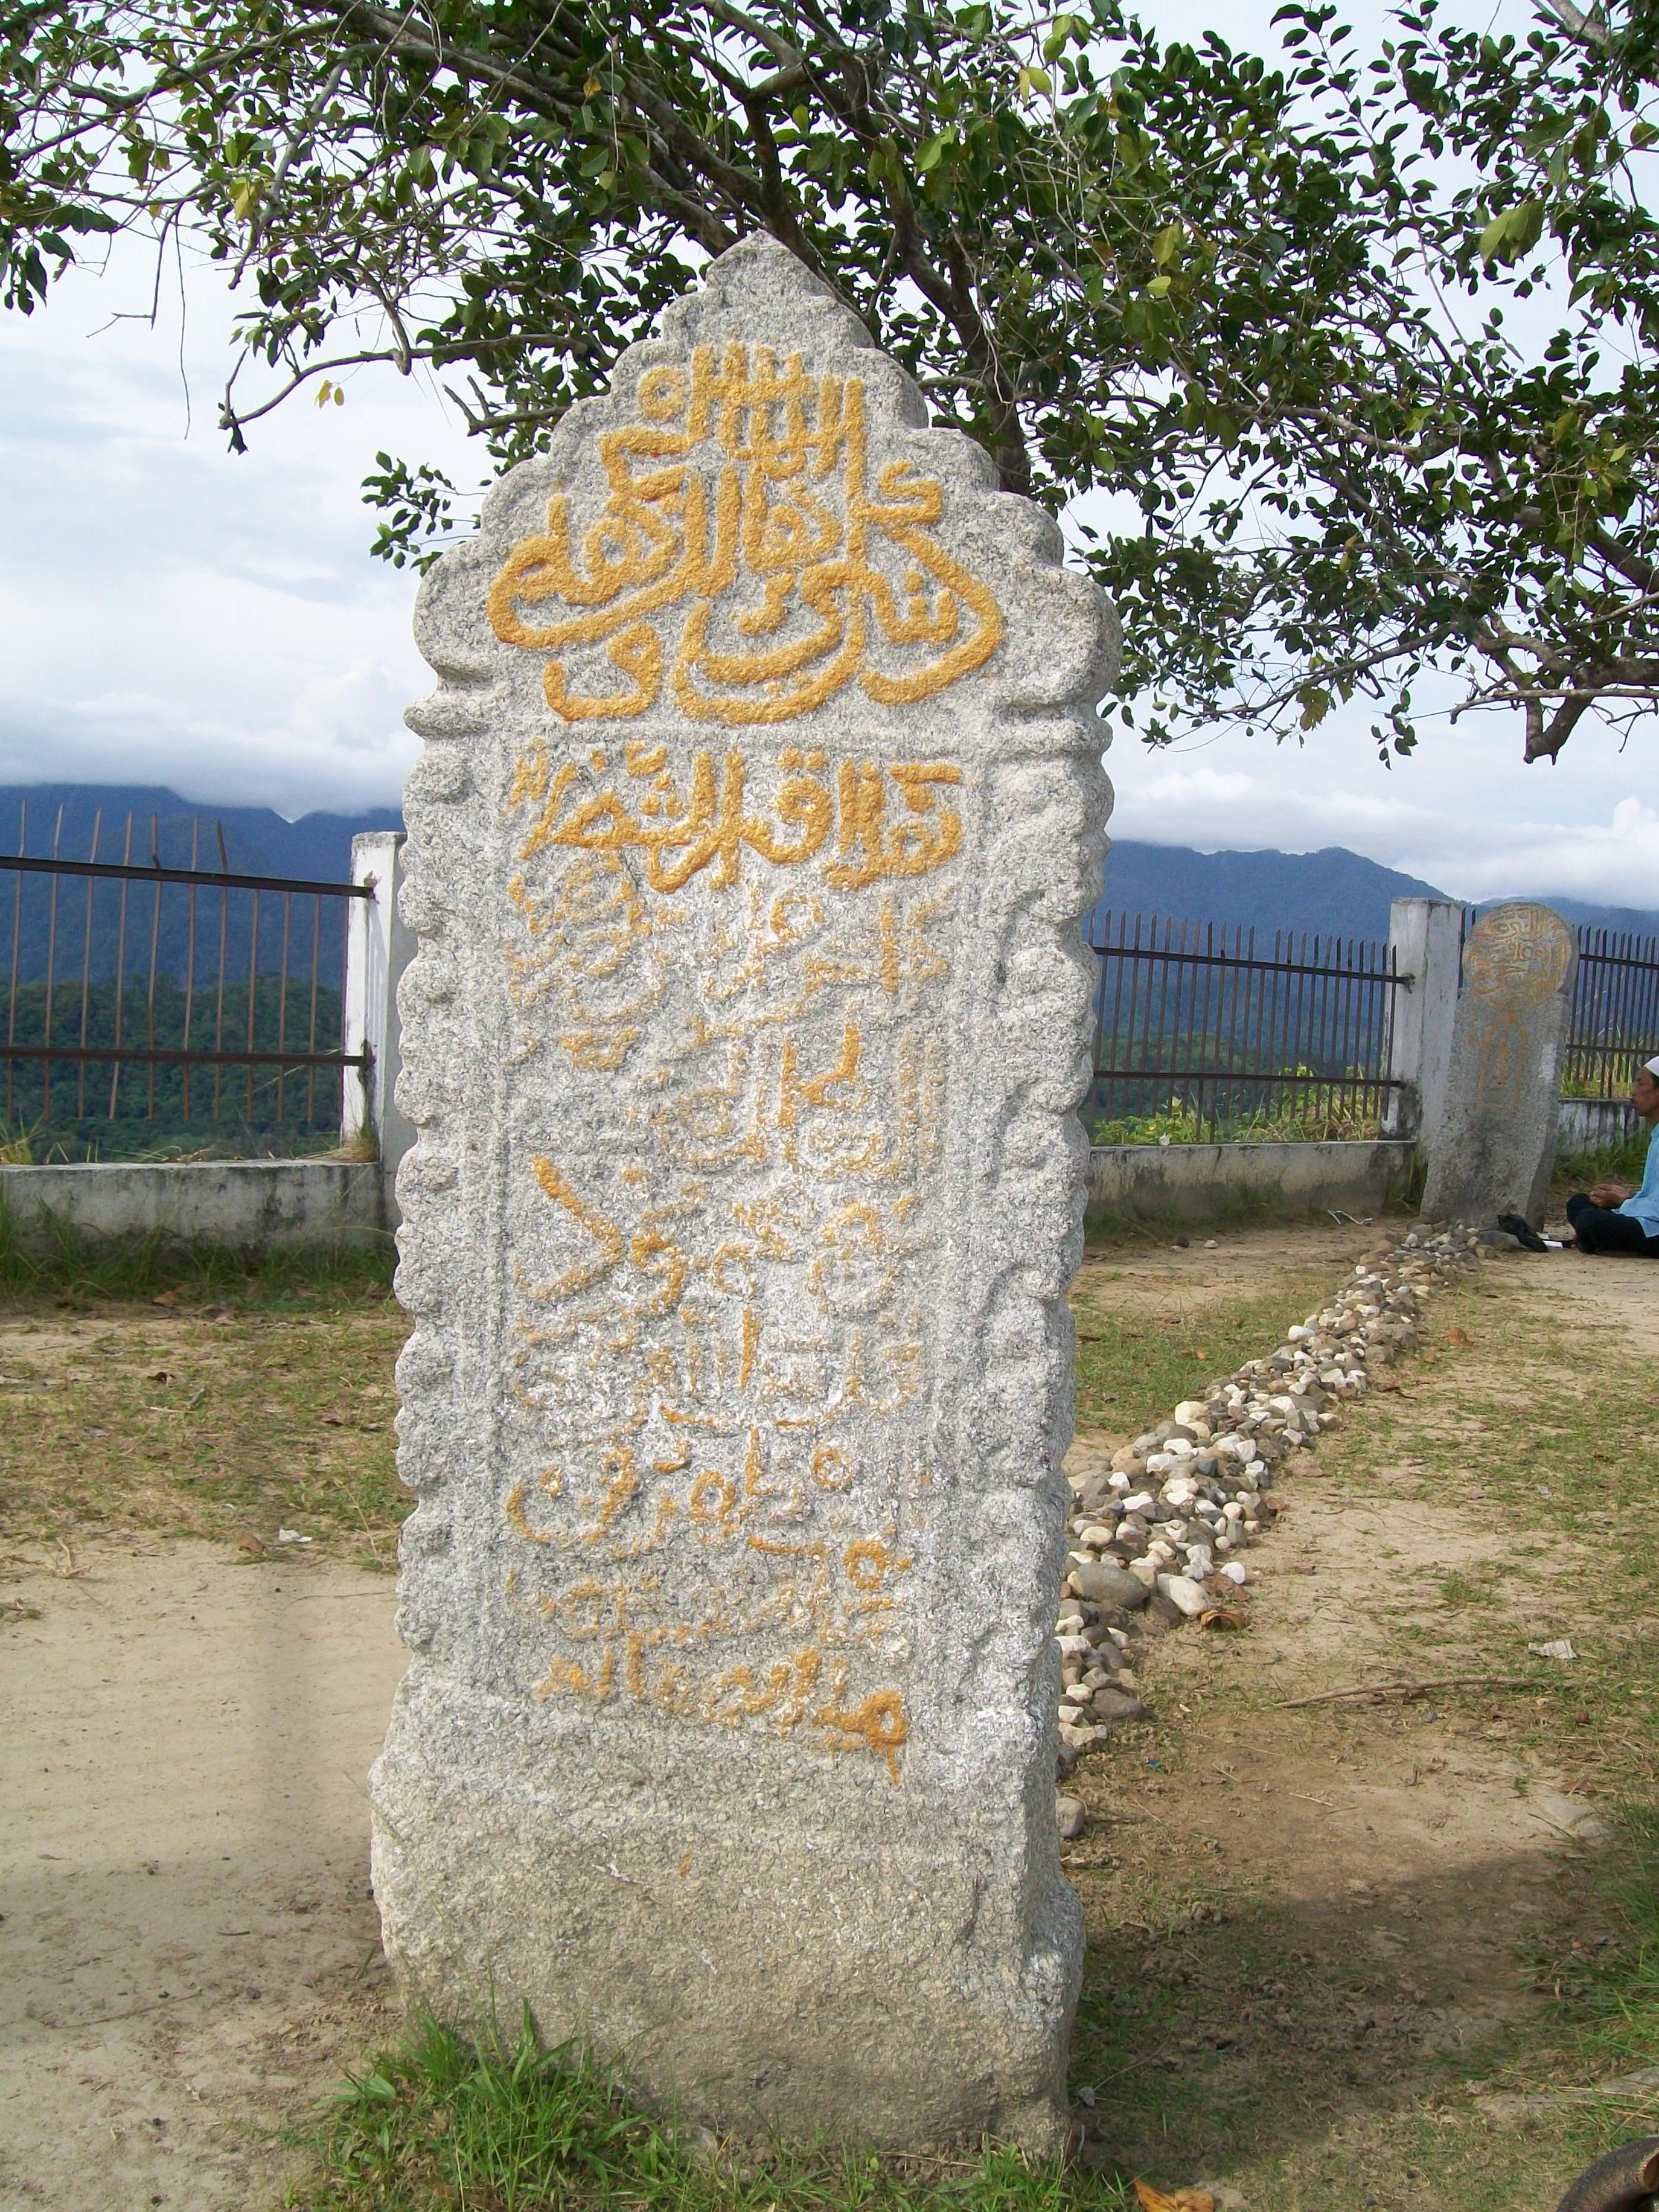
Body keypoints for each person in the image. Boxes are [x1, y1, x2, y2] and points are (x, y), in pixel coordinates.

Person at [1565, 1056, 1659, 1255]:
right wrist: (1628, 1199)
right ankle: (1595, 1238)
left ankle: (1596, 1238)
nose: (1633, 1093)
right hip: (1648, 1220)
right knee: (1579, 1203)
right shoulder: (1656, 1136)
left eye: (1641, 1084)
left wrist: (1623, 1202)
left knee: (1592, 1221)